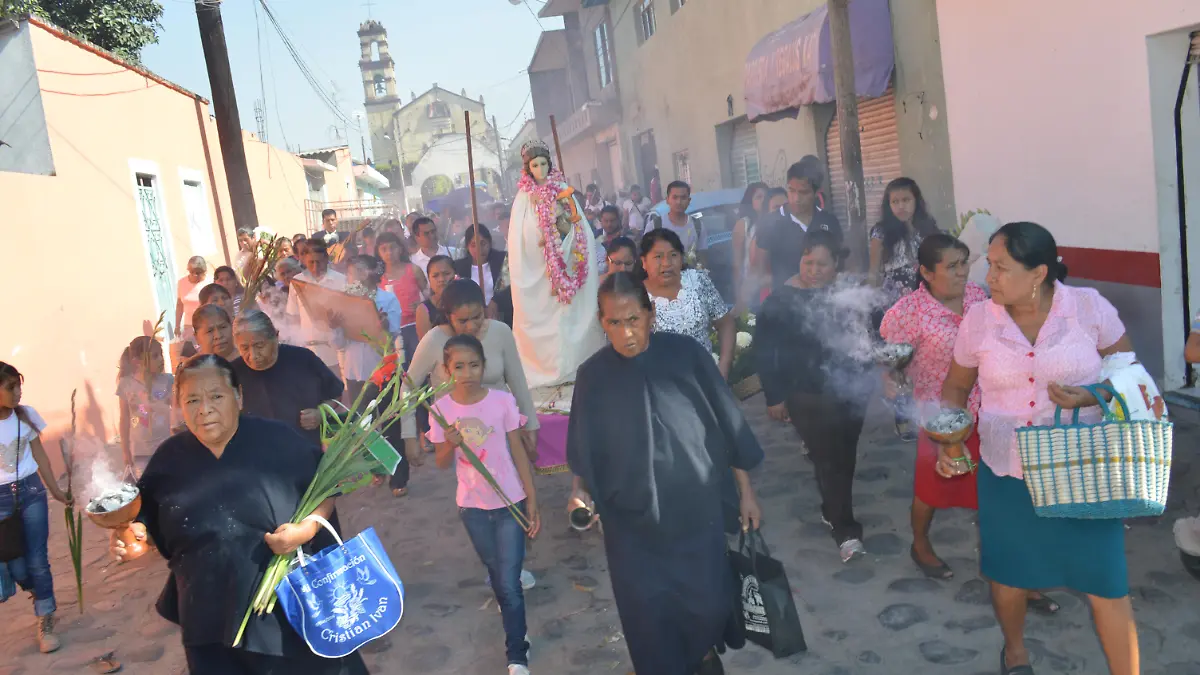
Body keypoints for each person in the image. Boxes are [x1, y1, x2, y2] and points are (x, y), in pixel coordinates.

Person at [940, 222, 1139, 675]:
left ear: (1038, 273)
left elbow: (1130, 374)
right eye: (989, 265)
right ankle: (1015, 652)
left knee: (1107, 583)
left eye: (1000, 267)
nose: (988, 276)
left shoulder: (1088, 308)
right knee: (1010, 576)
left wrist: (1093, 396)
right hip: (1008, 472)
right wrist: (951, 440)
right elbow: (955, 387)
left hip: (1084, 471)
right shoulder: (979, 320)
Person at [108, 355, 367, 675]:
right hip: (205, 614)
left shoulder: (278, 440)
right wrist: (134, 539)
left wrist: (306, 530)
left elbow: (326, 488)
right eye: (192, 400)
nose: (204, 409)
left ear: (239, 397)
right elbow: (145, 522)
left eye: (216, 396)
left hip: (280, 610)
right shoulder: (168, 460)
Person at [567, 272, 764, 675]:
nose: (626, 333)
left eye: (633, 319)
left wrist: (746, 492)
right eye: (614, 323)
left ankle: (703, 656)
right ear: (602, 323)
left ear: (650, 315)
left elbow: (728, 424)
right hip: (630, 525)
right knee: (649, 621)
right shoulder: (593, 376)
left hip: (695, 513)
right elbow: (584, 448)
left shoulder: (686, 355)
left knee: (706, 607)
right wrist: (578, 492)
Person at [879, 235, 1062, 617]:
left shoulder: (980, 297)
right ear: (926, 272)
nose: (963, 272)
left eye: (964, 263)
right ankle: (920, 543)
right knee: (932, 489)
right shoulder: (909, 311)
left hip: (993, 408)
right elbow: (891, 355)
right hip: (941, 415)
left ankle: (1016, 577)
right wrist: (892, 378)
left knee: (1003, 496)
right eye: (952, 266)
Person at [756, 230, 875, 562]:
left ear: (836, 263)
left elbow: (866, 333)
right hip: (805, 392)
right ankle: (846, 531)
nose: (813, 270)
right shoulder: (781, 300)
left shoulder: (847, 293)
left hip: (851, 388)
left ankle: (831, 507)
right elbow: (764, 352)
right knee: (828, 458)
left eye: (822, 264)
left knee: (845, 455)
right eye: (808, 262)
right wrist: (774, 397)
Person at [427, 334, 541, 675]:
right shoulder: (440, 410)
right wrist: (449, 444)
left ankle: (517, 653)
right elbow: (441, 462)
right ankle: (516, 626)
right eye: (459, 366)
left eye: (474, 365)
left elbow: (517, 451)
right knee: (496, 573)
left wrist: (532, 500)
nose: (467, 373)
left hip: (510, 501)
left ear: (484, 366)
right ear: (447, 370)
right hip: (472, 508)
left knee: (508, 583)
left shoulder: (502, 401)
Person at [400, 280, 539, 459]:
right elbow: (408, 387)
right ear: (448, 316)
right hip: (455, 442)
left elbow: (518, 382)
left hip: (500, 432)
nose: (472, 326)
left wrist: (531, 425)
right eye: (463, 321)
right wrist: (409, 436)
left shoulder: (500, 332)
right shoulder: (433, 340)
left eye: (477, 317)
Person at [508, 141, 606, 388]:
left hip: (570, 261)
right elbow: (520, 240)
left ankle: (579, 367)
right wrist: (543, 235)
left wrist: (565, 231)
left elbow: (580, 228)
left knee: (572, 317)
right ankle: (544, 370)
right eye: (535, 165)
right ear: (528, 169)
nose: (540, 170)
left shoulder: (563, 189)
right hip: (539, 270)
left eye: (543, 164)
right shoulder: (524, 198)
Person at [0, 362, 71, 654]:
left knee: (38, 559)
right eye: (10, 387)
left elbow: (40, 456)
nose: (18, 392)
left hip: (31, 492)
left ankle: (46, 618)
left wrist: (55, 491)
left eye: (19, 385)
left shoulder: (26, 415)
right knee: (14, 563)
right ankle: (37, 590)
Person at [230, 310, 344, 446]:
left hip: (305, 449)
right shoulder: (232, 373)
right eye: (244, 348)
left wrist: (320, 414)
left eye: (259, 346)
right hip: (259, 454)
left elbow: (335, 394)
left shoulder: (302, 359)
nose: (253, 355)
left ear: (276, 337)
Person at [640, 229, 734, 378]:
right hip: (662, 386)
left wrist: (723, 367)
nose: (667, 263)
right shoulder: (636, 297)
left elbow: (725, 323)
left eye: (673, 255)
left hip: (707, 380)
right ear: (644, 262)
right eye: (658, 257)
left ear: (681, 258)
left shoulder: (697, 281)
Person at [756, 160, 843, 291]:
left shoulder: (829, 221)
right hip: (786, 298)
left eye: (803, 192)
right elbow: (757, 271)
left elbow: (839, 263)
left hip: (824, 298)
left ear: (816, 193)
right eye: (791, 191)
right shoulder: (770, 223)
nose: (796, 198)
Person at [869, 178, 942, 308]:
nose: (901, 206)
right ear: (889, 205)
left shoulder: (928, 228)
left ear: (916, 201)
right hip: (894, 304)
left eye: (906, 200)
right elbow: (873, 272)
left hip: (926, 298)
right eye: (895, 202)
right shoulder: (880, 231)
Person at [286, 238, 347, 375]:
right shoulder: (297, 282)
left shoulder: (341, 280)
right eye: (311, 262)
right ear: (303, 260)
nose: (315, 268)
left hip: (335, 349)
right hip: (308, 349)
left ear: (326, 258)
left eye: (319, 262)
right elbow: (294, 317)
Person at [117, 336, 176, 475]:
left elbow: (176, 413)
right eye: (155, 356)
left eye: (161, 354)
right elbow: (124, 419)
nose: (161, 359)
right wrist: (125, 451)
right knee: (147, 485)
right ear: (137, 362)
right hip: (140, 453)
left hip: (167, 447)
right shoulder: (126, 384)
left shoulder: (168, 381)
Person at [377, 232, 428, 365]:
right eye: (384, 249)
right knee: (398, 370)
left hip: (415, 326)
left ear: (400, 249)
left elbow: (430, 296)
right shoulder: (378, 279)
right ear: (378, 253)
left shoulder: (413, 270)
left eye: (392, 247)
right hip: (391, 331)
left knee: (419, 367)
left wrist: (422, 305)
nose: (389, 253)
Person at [453, 224, 507, 314]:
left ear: (490, 243)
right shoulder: (459, 267)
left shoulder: (502, 261)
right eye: (473, 245)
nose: (479, 249)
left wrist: (495, 301)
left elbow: (507, 287)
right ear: (467, 247)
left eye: (483, 243)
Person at [732, 182, 768, 310]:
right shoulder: (744, 225)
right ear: (750, 201)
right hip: (751, 286)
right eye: (758, 197)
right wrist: (739, 295)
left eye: (766, 197)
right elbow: (737, 263)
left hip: (770, 283)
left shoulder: (775, 221)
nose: (763, 201)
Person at [176, 256, 208, 341]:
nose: (194, 275)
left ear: (204, 271)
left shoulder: (209, 282)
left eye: (198, 272)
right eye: (191, 272)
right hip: (189, 325)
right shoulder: (181, 283)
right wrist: (177, 326)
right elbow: (179, 305)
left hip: (206, 323)